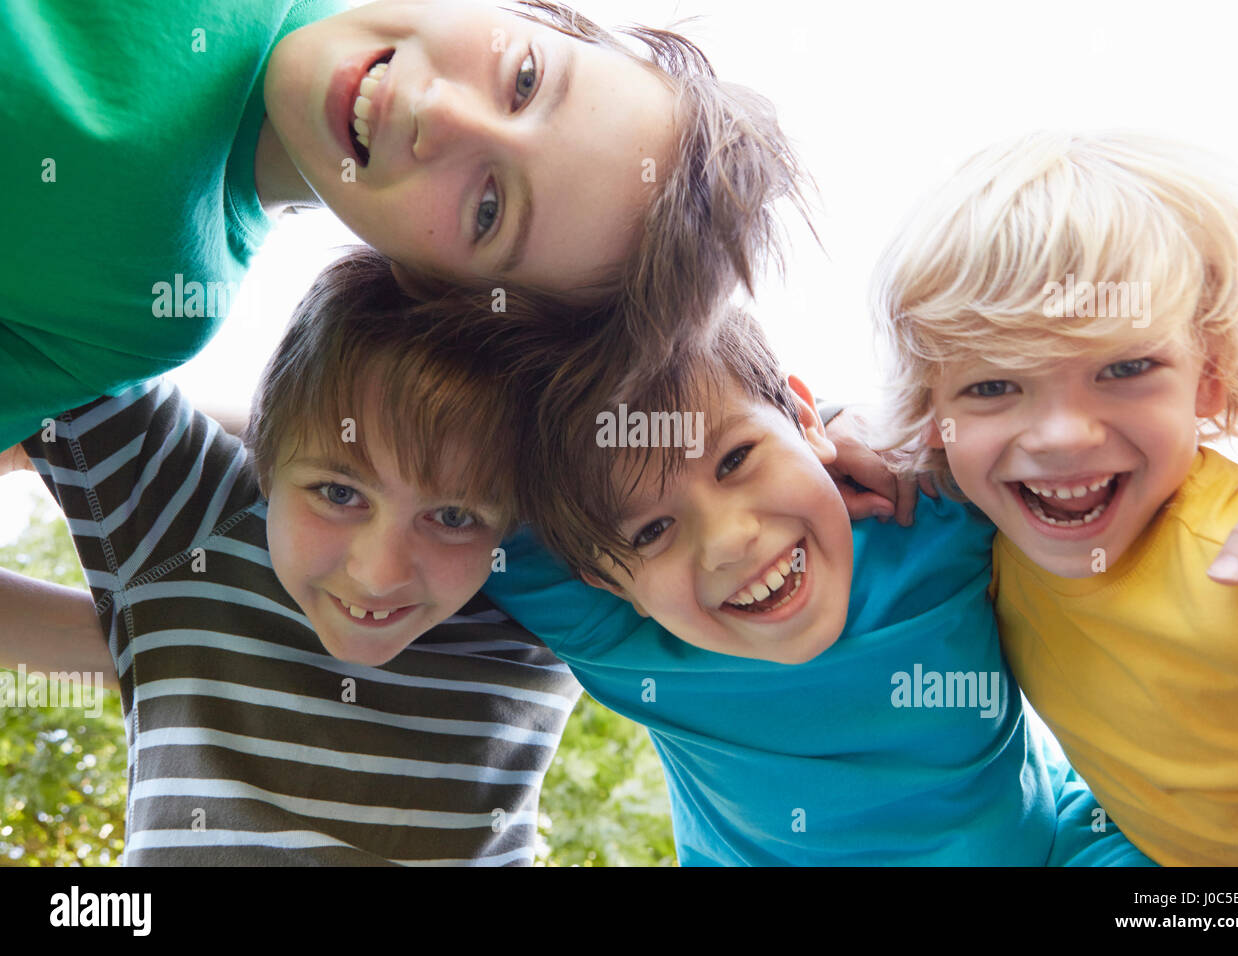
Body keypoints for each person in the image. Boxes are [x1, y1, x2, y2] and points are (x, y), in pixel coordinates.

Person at [477, 303, 1154, 865]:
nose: (729, 539)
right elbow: (449, 464)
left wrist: (852, 424)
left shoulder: (929, 505)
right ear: (604, 578)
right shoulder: (613, 626)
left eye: (737, 459)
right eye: (652, 531)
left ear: (801, 419)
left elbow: (1084, 431)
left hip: (1050, 852)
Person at [1, 0, 807, 451]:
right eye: (524, 78)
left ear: (432, 287)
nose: (438, 113)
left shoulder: (149, 310)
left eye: (489, 209)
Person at [2, 248, 581, 864]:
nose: (379, 574)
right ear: (267, 466)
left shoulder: (555, 589)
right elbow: (44, 303)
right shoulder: (190, 510)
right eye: (339, 493)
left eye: (453, 517)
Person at [868, 131, 1238, 865]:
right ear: (932, 415)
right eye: (993, 386)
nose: (1064, 436)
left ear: (1209, 376)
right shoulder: (974, 533)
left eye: (1126, 368)